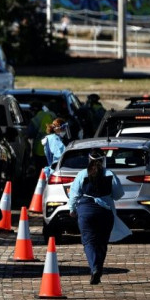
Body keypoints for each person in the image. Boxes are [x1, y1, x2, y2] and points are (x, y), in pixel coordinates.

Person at [68, 150, 126, 285]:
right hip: (105, 212)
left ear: (89, 160)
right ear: (103, 160)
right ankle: (98, 268)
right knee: (102, 243)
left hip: (86, 211)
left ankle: (94, 268)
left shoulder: (82, 174)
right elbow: (118, 194)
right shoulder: (110, 174)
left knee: (89, 242)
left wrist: (72, 209)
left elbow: (74, 194)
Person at [27, 101, 56, 173]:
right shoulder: (52, 115)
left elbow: (30, 134)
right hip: (53, 148)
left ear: (34, 110)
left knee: (41, 172)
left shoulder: (36, 119)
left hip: (40, 150)